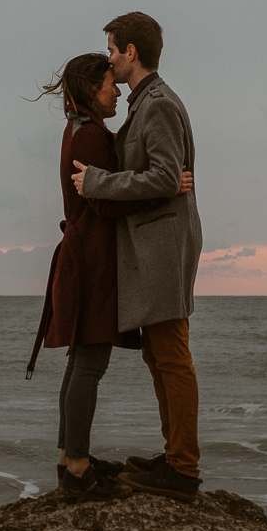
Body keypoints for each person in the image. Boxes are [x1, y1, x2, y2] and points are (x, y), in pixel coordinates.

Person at [33, 52, 191, 502]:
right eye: (109, 84)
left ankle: (70, 461)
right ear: (90, 89)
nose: (117, 90)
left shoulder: (82, 131)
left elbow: (104, 191)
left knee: (81, 361)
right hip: (94, 260)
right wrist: (165, 187)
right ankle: (79, 469)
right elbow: (105, 202)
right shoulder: (88, 138)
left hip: (87, 256)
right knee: (89, 363)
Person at [71, 11, 204, 503]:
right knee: (159, 353)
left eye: (111, 50)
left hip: (164, 246)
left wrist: (100, 182)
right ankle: (174, 457)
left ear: (131, 52)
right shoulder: (145, 103)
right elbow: (169, 176)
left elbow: (167, 177)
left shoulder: (159, 105)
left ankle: (184, 470)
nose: (108, 59)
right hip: (155, 244)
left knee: (172, 355)